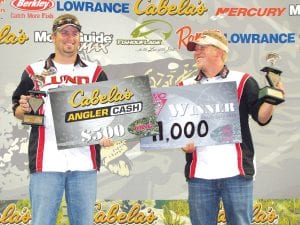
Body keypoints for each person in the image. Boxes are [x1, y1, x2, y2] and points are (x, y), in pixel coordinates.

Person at [12, 14, 112, 225]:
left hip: (84, 164)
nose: (70, 37)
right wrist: (22, 108)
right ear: (53, 37)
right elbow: (18, 110)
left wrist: (108, 133)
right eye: (64, 32)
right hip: (46, 163)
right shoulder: (34, 71)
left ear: (79, 38)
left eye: (74, 33)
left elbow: (108, 113)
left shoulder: (95, 73)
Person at [178, 29, 285, 225]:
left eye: (202, 47)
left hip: (236, 174)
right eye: (195, 49)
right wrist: (184, 144)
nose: (196, 52)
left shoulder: (242, 80)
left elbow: (261, 117)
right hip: (200, 176)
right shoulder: (184, 85)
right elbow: (179, 130)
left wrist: (272, 99)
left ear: (219, 51)